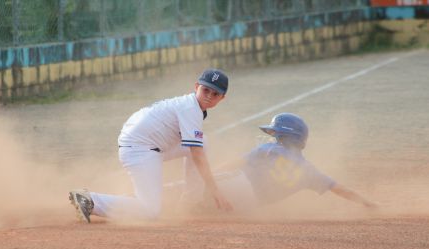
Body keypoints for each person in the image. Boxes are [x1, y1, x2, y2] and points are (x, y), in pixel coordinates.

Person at [69, 69, 233, 223]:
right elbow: (197, 155)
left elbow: (196, 148)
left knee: (202, 142)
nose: (209, 96)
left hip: (146, 143)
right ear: (196, 87)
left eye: (215, 93)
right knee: (149, 211)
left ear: (222, 98)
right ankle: (89, 201)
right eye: (206, 90)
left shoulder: (189, 105)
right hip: (139, 150)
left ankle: (190, 204)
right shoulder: (190, 108)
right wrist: (215, 191)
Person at [193, 112, 377, 213]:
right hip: (250, 205)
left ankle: (186, 198)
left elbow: (234, 163)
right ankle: (201, 207)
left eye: (275, 134)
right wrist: (368, 204)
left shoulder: (269, 149)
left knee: (194, 186)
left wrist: (208, 175)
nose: (272, 137)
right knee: (209, 209)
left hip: (237, 184)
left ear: (284, 136)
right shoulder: (309, 170)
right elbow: (340, 189)